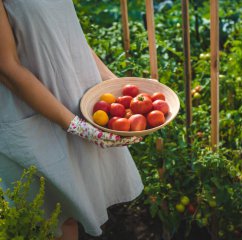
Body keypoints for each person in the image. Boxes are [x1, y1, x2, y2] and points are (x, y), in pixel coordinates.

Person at [0, 0, 144, 239]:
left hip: (71, 103)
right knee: (51, 220)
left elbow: (71, 37)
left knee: (69, 214)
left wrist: (120, 88)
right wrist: (76, 126)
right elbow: (7, 67)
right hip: (30, 111)